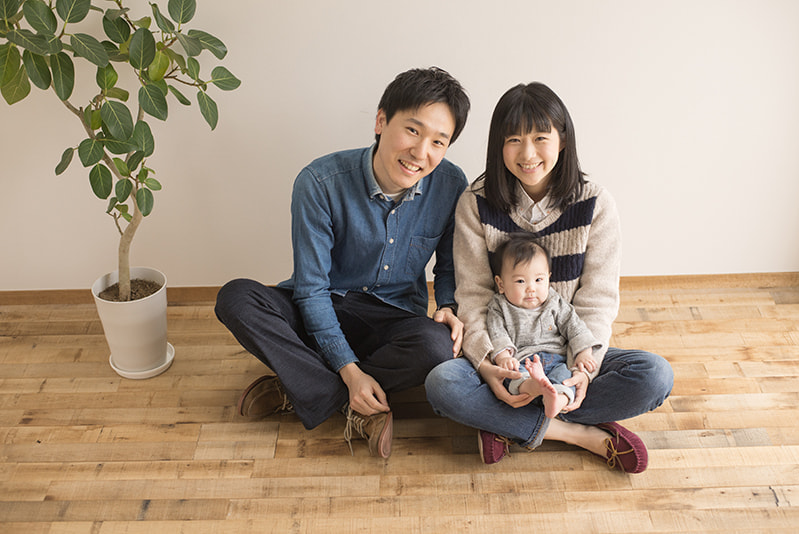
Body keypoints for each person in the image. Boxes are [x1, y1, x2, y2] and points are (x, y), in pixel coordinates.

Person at [215, 67, 470, 459]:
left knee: (437, 346)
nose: (421, 153)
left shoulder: (451, 184)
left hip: (392, 317)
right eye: (413, 130)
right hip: (322, 304)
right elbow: (311, 289)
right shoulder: (319, 182)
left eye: (439, 141)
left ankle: (300, 386)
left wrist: (448, 304)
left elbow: (449, 266)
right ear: (381, 121)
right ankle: (348, 397)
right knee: (236, 298)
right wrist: (349, 371)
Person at [424, 82, 673, 473]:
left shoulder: (595, 203)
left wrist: (583, 368)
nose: (528, 154)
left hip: (566, 353)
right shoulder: (476, 202)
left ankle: (505, 423)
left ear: (562, 140)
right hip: (505, 355)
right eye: (514, 140)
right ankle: (578, 433)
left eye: (540, 138)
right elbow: (472, 296)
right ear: (498, 145)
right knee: (442, 383)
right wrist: (489, 365)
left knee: (655, 375)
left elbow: (597, 299)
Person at [488, 235, 600, 419]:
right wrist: (504, 357)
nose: (531, 288)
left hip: (556, 358)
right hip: (523, 361)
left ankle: (557, 400)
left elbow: (574, 326)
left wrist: (584, 353)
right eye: (520, 281)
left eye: (538, 280)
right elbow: (497, 333)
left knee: (567, 378)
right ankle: (536, 387)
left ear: (548, 278)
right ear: (501, 284)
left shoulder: (554, 301)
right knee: (514, 377)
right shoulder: (499, 306)